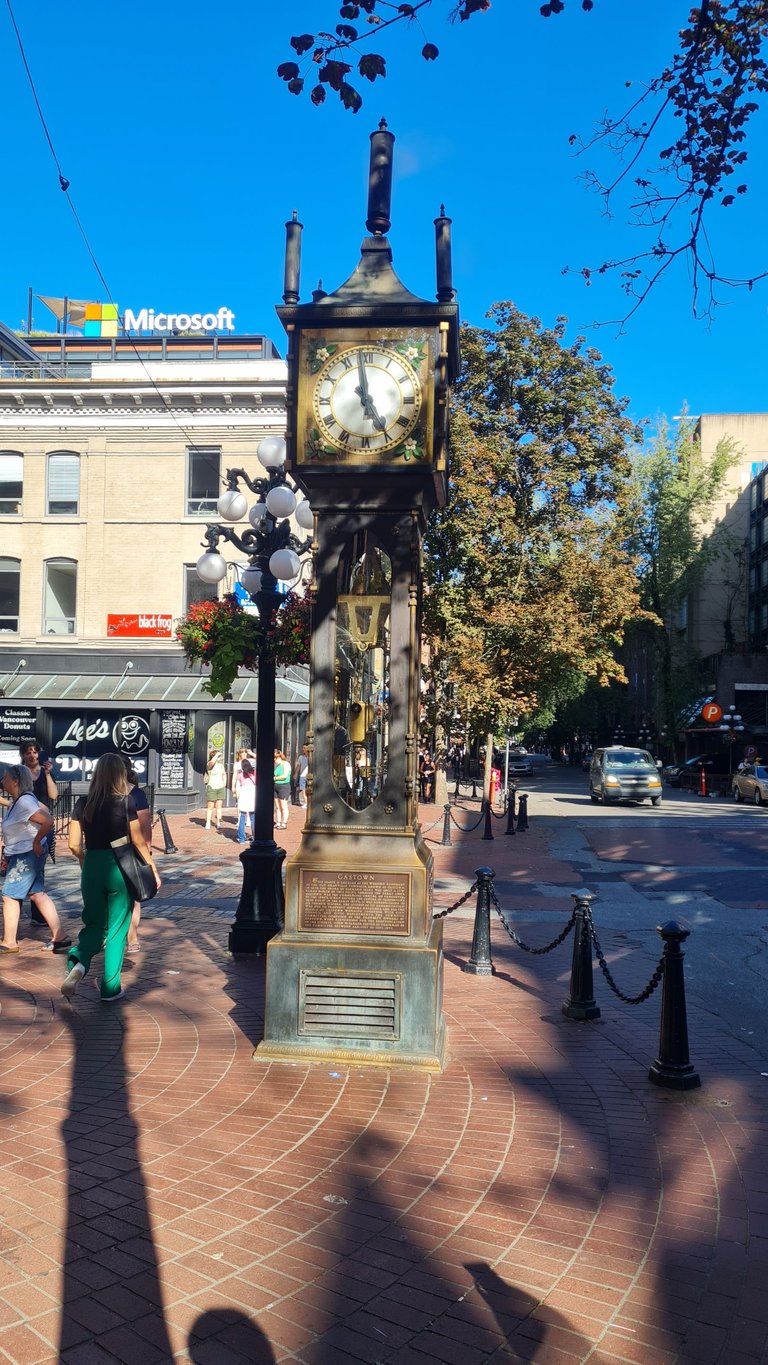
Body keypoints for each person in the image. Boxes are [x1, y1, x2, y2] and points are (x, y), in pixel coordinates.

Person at [63, 752, 160, 1001]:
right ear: (120, 774)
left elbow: (74, 845)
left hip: (92, 865)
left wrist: (86, 862)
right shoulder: (125, 802)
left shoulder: (82, 804)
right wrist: (153, 869)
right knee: (117, 928)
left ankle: (79, 958)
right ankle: (110, 987)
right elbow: (138, 841)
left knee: (95, 923)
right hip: (119, 865)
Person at [0, 764, 69, 954]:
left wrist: (38, 841)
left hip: (26, 855)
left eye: (5, 777)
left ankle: (9, 942)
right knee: (37, 893)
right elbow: (45, 811)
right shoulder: (21, 801)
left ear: (15, 781)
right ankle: (59, 935)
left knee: (9, 896)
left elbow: (48, 820)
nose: (2, 781)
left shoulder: (24, 802)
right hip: (23, 853)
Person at [19, 740, 58, 924]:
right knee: (19, 867)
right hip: (23, 827)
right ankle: (16, 908)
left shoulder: (44, 772)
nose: (32, 755)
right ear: (23, 755)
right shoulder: (17, 773)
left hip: (43, 826)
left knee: (39, 868)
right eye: (28, 752)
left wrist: (48, 774)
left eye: (35, 752)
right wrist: (11, 804)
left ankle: (38, 914)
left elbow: (53, 796)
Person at [122, 759, 152, 954]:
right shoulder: (102, 793)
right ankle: (114, 934)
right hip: (108, 851)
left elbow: (144, 827)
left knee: (133, 895)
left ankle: (132, 935)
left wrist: (146, 854)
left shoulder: (136, 794)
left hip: (132, 850)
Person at [204, 749, 227, 830]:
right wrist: (216, 755)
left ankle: (218, 822)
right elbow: (211, 763)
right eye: (218, 756)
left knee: (219, 806)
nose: (220, 757)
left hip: (220, 787)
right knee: (210, 806)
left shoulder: (221, 765)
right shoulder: (209, 764)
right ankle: (208, 822)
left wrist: (224, 783)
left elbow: (224, 774)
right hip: (212, 787)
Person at [235, 758, 256, 843]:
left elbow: (237, 787)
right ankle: (255, 837)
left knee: (242, 816)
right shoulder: (254, 773)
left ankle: (241, 838)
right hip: (253, 794)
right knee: (253, 817)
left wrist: (237, 796)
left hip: (244, 794)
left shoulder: (240, 774)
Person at [273, 749, 292, 830]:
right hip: (276, 786)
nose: (274, 761)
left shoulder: (286, 764)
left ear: (279, 757)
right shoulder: (277, 766)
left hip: (284, 786)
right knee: (277, 806)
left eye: (275, 759)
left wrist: (275, 778)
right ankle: (278, 822)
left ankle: (284, 823)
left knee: (283, 806)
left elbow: (284, 776)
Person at [294, 743, 309, 808]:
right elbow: (298, 766)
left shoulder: (312, 757)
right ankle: (306, 803)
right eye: (303, 748)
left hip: (310, 776)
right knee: (303, 789)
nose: (303, 749)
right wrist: (295, 774)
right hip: (302, 776)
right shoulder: (300, 757)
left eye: (304, 748)